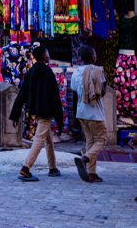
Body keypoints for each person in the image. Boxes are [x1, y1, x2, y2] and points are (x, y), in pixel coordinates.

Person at [10, 46, 63, 181]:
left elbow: (22, 94)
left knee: (48, 138)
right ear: (43, 56)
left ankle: (52, 167)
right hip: (46, 111)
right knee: (40, 138)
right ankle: (26, 168)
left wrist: (15, 114)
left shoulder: (31, 72)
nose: (49, 55)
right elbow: (55, 97)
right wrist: (60, 119)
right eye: (47, 53)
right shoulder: (48, 72)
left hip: (36, 110)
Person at [71, 45, 107, 183]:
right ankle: (84, 158)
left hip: (81, 112)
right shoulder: (98, 71)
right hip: (95, 113)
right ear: (93, 57)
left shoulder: (76, 72)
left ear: (80, 58)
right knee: (101, 140)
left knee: (90, 140)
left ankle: (91, 173)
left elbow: (74, 89)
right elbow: (101, 92)